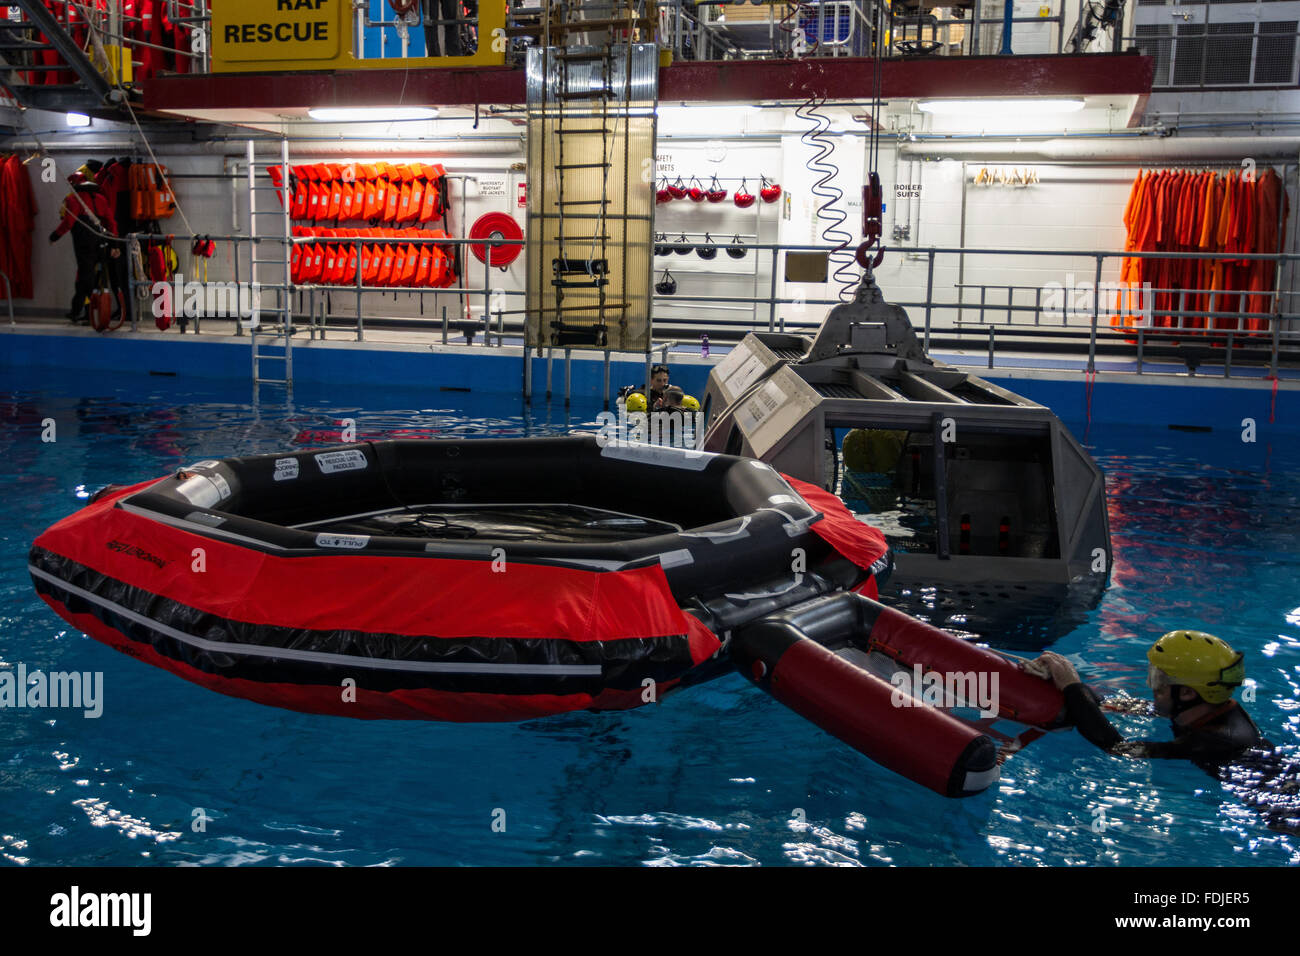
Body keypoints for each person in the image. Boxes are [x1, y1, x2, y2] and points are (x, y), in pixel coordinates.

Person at [1033, 631, 1267, 769]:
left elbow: (1120, 749)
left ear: (1186, 693)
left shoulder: (1214, 741)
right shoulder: (1208, 709)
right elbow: (1141, 707)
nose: (1151, 686)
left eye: (1159, 679)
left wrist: (1073, 688)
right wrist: (1078, 689)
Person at [49, 168, 119, 325]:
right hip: (102, 242)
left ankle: (91, 312)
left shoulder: (74, 200)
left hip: (84, 242)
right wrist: (114, 244)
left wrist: (55, 236)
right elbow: (111, 223)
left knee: (85, 277)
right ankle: (80, 312)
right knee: (96, 277)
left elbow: (68, 222)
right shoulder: (101, 199)